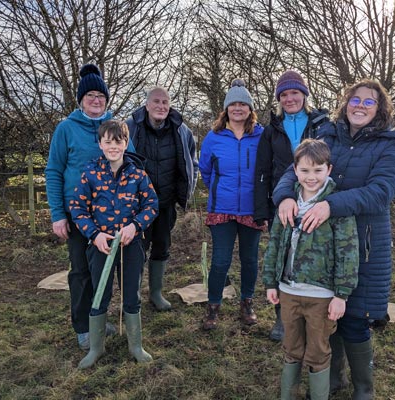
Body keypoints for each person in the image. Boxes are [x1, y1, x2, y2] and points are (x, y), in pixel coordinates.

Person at [273, 79, 395, 399]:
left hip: (362, 245)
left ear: (379, 109)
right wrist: (284, 197)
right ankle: (333, 379)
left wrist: (329, 205)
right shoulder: (327, 134)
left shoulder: (388, 144)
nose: (360, 106)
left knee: (354, 318)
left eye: (369, 102)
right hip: (321, 246)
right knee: (327, 314)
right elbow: (294, 170)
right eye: (356, 100)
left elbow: (381, 193)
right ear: (346, 102)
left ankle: (364, 387)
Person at [262, 139, 359, 400]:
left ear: (329, 169)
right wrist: (271, 282)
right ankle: (288, 394)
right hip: (289, 291)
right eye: (305, 171)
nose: (311, 177)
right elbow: (274, 244)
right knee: (291, 346)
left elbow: (348, 252)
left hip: (322, 296)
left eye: (317, 170)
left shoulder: (337, 206)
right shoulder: (287, 202)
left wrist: (341, 294)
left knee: (317, 350)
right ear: (295, 170)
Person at [46, 63, 130, 350]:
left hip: (110, 215)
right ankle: (83, 326)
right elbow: (54, 171)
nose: (96, 100)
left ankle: (98, 319)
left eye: (101, 96)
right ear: (81, 99)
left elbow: (128, 167)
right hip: (77, 214)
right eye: (91, 95)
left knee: (102, 272)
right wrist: (58, 215)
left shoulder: (116, 128)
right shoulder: (66, 129)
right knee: (80, 271)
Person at [69, 120, 158, 368]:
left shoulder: (138, 174)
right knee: (100, 294)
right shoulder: (90, 174)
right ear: (100, 144)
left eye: (118, 141)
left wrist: (135, 226)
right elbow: (77, 208)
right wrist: (94, 235)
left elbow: (152, 205)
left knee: (132, 293)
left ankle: (136, 346)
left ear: (125, 143)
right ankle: (96, 348)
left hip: (131, 245)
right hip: (101, 246)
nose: (113, 146)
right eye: (107, 141)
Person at [254, 70, 330, 342]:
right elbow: (262, 171)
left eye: (294, 93)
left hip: (316, 200)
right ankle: (282, 318)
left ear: (304, 95)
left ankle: (314, 314)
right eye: (283, 95)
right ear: (278, 99)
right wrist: (262, 210)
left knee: (313, 257)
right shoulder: (271, 131)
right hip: (282, 201)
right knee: (282, 256)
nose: (289, 99)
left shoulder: (321, 124)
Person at [198, 79, 265, 330]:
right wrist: (219, 190)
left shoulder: (261, 135)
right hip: (222, 209)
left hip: (251, 209)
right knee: (220, 260)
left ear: (250, 109)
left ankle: (247, 302)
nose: (238, 108)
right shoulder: (213, 137)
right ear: (226, 109)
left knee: (249, 260)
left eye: (243, 104)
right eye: (233, 104)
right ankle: (213, 306)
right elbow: (205, 171)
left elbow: (266, 169)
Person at [126, 87, 198, 311]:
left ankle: (156, 293)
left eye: (165, 102)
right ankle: (133, 295)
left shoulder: (181, 129)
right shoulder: (131, 127)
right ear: (146, 105)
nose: (161, 106)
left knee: (162, 247)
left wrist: (187, 190)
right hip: (136, 205)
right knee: (136, 250)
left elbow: (192, 162)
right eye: (156, 102)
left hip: (165, 203)